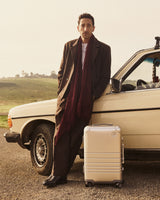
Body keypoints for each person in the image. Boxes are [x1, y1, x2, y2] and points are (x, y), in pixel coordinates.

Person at [43, 13, 111, 188]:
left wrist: (92, 95)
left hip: (86, 99)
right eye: (83, 25)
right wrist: (62, 92)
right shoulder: (69, 46)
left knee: (75, 137)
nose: (86, 28)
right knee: (60, 134)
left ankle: (61, 174)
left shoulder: (103, 49)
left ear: (94, 28)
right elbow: (61, 72)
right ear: (78, 27)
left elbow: (105, 76)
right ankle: (57, 174)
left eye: (89, 25)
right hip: (68, 97)